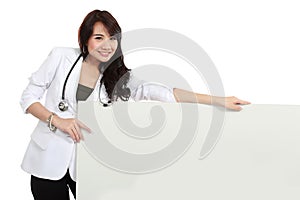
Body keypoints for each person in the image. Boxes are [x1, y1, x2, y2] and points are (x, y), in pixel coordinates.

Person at [20, 9, 250, 200]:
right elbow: (28, 97)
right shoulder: (61, 58)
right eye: (99, 38)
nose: (106, 45)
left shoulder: (119, 76)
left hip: (88, 165)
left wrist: (219, 100)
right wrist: (57, 120)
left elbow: (164, 93)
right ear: (85, 39)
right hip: (47, 159)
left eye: (112, 39)